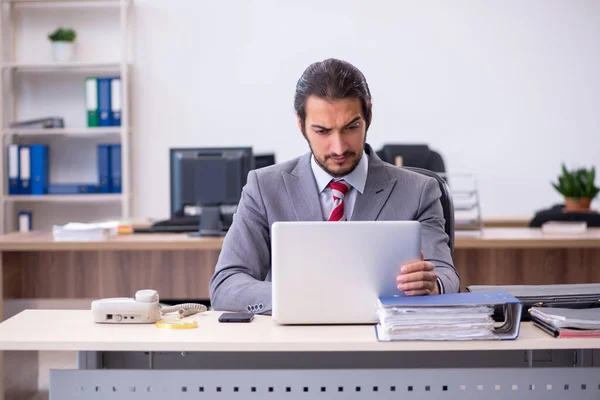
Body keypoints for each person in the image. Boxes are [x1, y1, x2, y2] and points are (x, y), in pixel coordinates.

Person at [210, 58, 460, 314]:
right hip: (294, 345)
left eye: (351, 128)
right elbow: (226, 285)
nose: (339, 148)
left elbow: (446, 276)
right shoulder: (264, 188)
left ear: (368, 116)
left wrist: (433, 285)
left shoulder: (420, 191)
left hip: (380, 345)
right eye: (322, 131)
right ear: (301, 125)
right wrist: (306, 296)